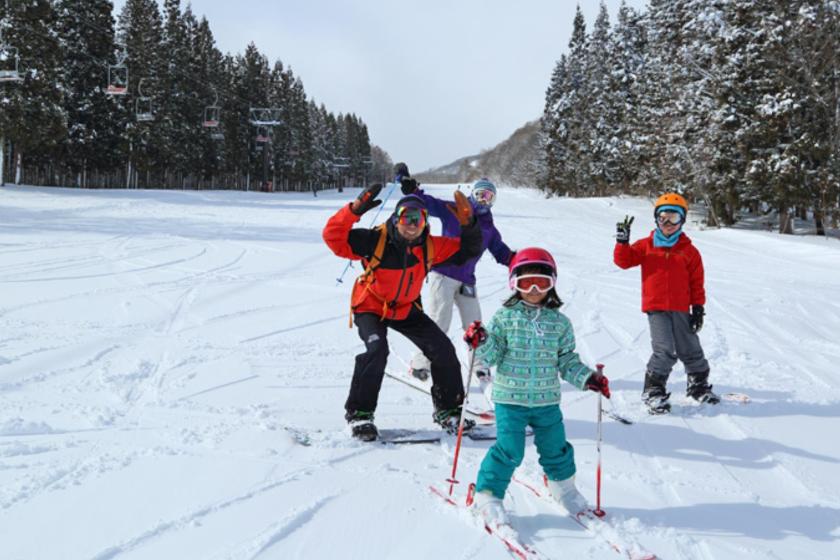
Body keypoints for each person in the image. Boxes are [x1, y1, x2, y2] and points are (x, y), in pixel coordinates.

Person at [322, 173, 483, 441]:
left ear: (425, 223)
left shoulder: (431, 246)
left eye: (417, 219)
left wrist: (469, 224)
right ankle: (359, 415)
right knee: (376, 350)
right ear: (396, 219)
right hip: (370, 305)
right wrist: (353, 211)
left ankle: (449, 410)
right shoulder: (374, 240)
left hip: (405, 308)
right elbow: (333, 238)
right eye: (406, 217)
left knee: (443, 349)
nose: (411, 225)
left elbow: (468, 250)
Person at [463, 248, 611, 526]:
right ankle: (488, 494)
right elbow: (491, 354)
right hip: (510, 399)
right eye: (525, 282)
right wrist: (481, 341)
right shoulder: (504, 318)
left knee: (557, 448)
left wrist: (588, 378)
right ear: (513, 284)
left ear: (552, 285)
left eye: (542, 283)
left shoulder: (560, 323)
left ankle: (563, 488)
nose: (533, 289)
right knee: (510, 449)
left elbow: (567, 360)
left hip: (547, 402)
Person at [401, 171, 514, 389]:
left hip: (467, 280)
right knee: (438, 321)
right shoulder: (454, 209)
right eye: (481, 195)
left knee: (475, 325)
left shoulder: (488, 226)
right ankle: (420, 364)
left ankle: (480, 365)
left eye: (489, 197)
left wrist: (518, 262)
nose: (484, 200)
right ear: (472, 194)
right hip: (442, 274)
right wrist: (413, 191)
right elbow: (429, 205)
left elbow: (501, 251)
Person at [613, 192, 719, 414]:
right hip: (656, 308)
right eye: (663, 218)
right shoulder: (646, 246)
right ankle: (653, 390)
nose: (668, 223)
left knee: (690, 347)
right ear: (656, 219)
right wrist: (622, 242)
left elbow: (697, 282)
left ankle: (698, 385)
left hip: (681, 307)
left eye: (674, 218)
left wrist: (698, 307)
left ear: (682, 220)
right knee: (664, 349)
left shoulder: (689, 251)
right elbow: (624, 261)